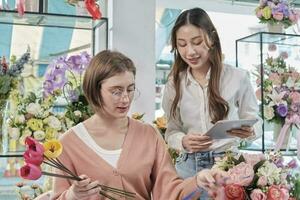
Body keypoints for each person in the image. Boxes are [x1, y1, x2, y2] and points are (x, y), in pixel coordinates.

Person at [51, 50, 226, 200]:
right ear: (95, 90)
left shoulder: (148, 135)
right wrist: (72, 195)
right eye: (116, 91)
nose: (126, 99)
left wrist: (197, 181)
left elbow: (169, 191)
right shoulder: (69, 143)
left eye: (130, 89)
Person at [162, 7, 262, 198]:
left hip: (226, 166)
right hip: (186, 167)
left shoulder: (237, 77)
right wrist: (183, 140)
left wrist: (250, 131)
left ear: (212, 38)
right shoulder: (174, 83)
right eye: (181, 44)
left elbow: (256, 121)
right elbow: (171, 130)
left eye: (197, 42)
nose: (189, 51)